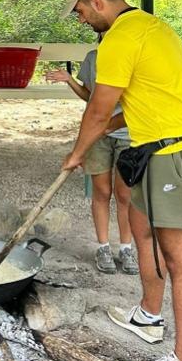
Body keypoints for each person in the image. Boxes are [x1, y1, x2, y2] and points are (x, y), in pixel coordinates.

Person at [58, 0, 182, 361]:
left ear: (97, 2)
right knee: (141, 227)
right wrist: (90, 142)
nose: (80, 19)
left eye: (79, 11)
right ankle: (149, 316)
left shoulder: (120, 38)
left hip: (177, 155)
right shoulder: (150, 27)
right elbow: (133, 108)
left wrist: (77, 153)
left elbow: (97, 110)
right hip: (153, 151)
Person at [46, 38, 139, 276]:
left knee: (124, 195)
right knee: (101, 192)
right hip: (97, 133)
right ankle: (103, 247)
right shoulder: (93, 58)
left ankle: (126, 249)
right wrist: (69, 80)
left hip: (129, 134)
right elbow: (90, 97)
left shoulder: (133, 59)